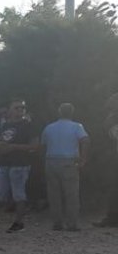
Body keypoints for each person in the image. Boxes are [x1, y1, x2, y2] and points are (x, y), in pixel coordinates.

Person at [0, 99, 40, 233]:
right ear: (10, 110)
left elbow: (35, 146)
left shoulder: (29, 125)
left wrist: (13, 147)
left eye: (22, 108)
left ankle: (19, 222)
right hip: (4, 163)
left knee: (19, 194)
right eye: (17, 108)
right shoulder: (5, 125)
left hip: (20, 163)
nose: (20, 110)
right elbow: (2, 141)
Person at [41, 103, 89, 231]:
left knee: (53, 194)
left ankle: (57, 222)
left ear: (59, 112)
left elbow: (43, 144)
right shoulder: (77, 126)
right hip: (69, 161)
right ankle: (72, 223)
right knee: (71, 194)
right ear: (72, 112)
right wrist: (83, 159)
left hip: (51, 160)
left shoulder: (49, 127)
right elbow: (85, 140)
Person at [93, 93, 118, 227]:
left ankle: (112, 217)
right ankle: (113, 217)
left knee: (114, 187)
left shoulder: (112, 119)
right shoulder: (112, 119)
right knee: (114, 188)